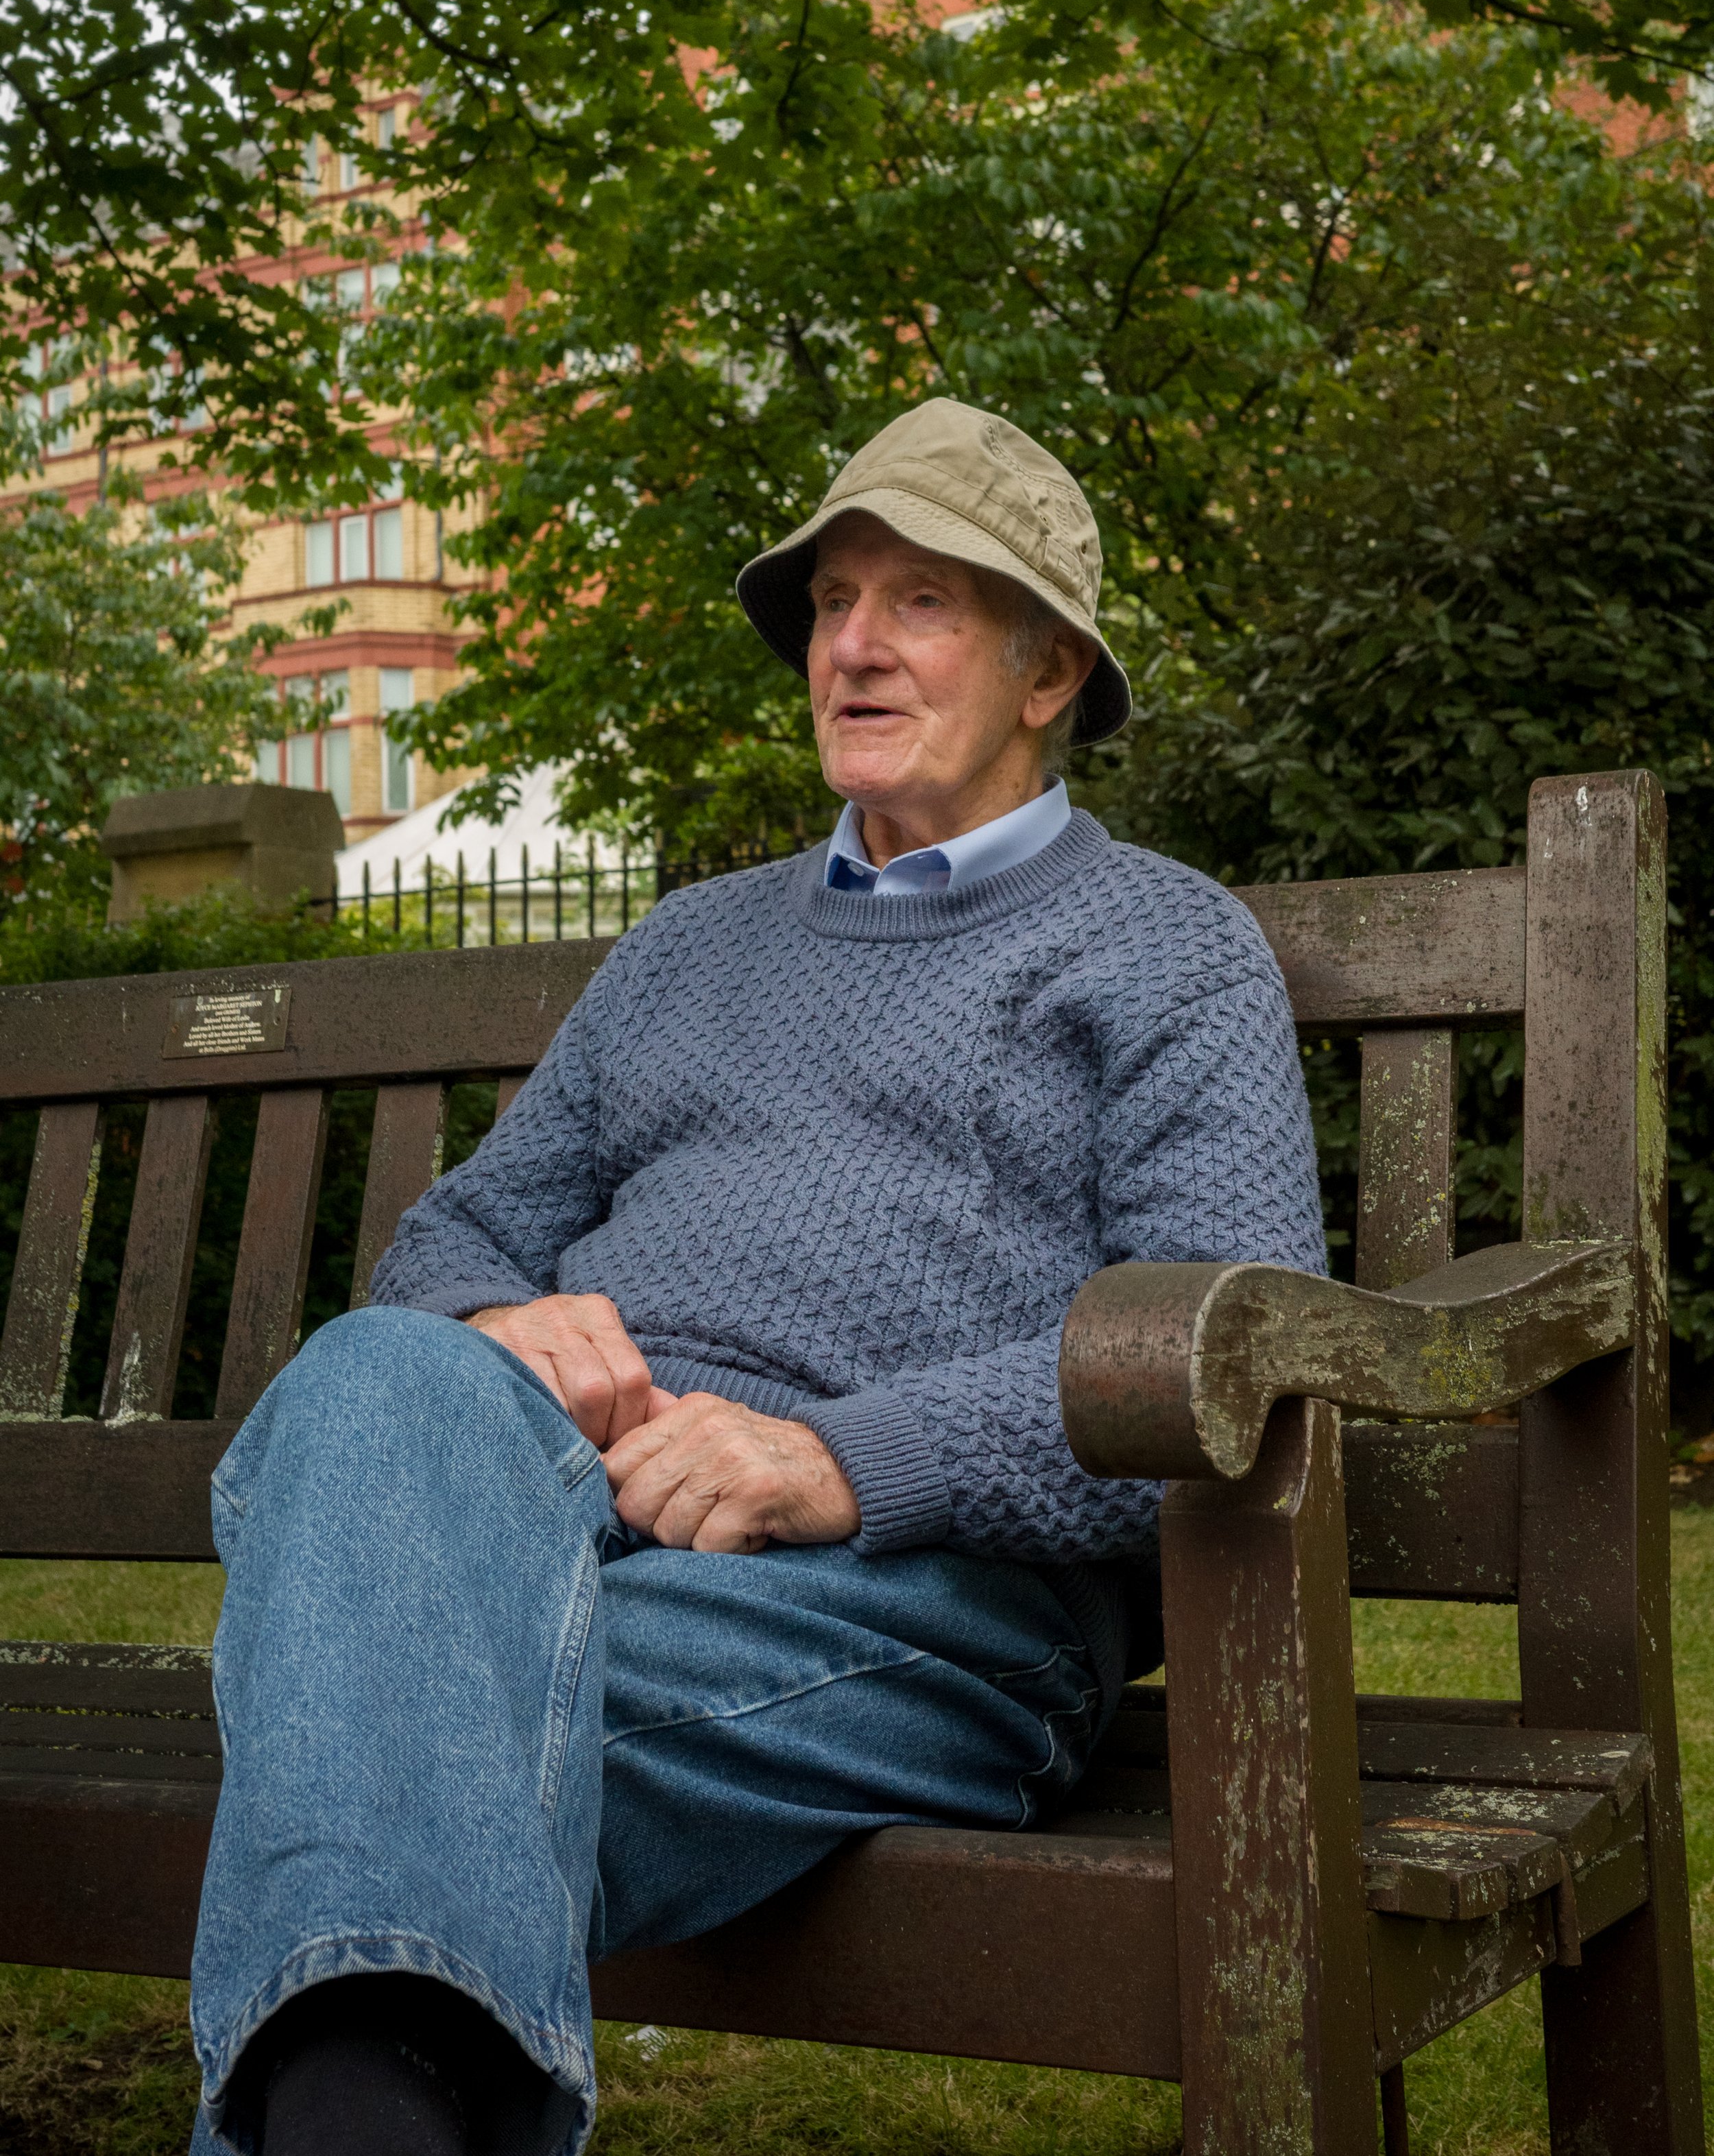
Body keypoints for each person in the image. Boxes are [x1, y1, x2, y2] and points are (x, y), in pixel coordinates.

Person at [187, 398, 1325, 2156]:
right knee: (370, 1374)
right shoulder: (687, 949)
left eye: (923, 601)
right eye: (829, 602)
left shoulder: (1166, 950)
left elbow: (1212, 1358)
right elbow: (450, 1244)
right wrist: (502, 1322)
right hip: (562, 1534)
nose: (851, 645)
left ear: (1047, 676)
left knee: (367, 1707)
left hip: (917, 1603)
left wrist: (844, 1462)